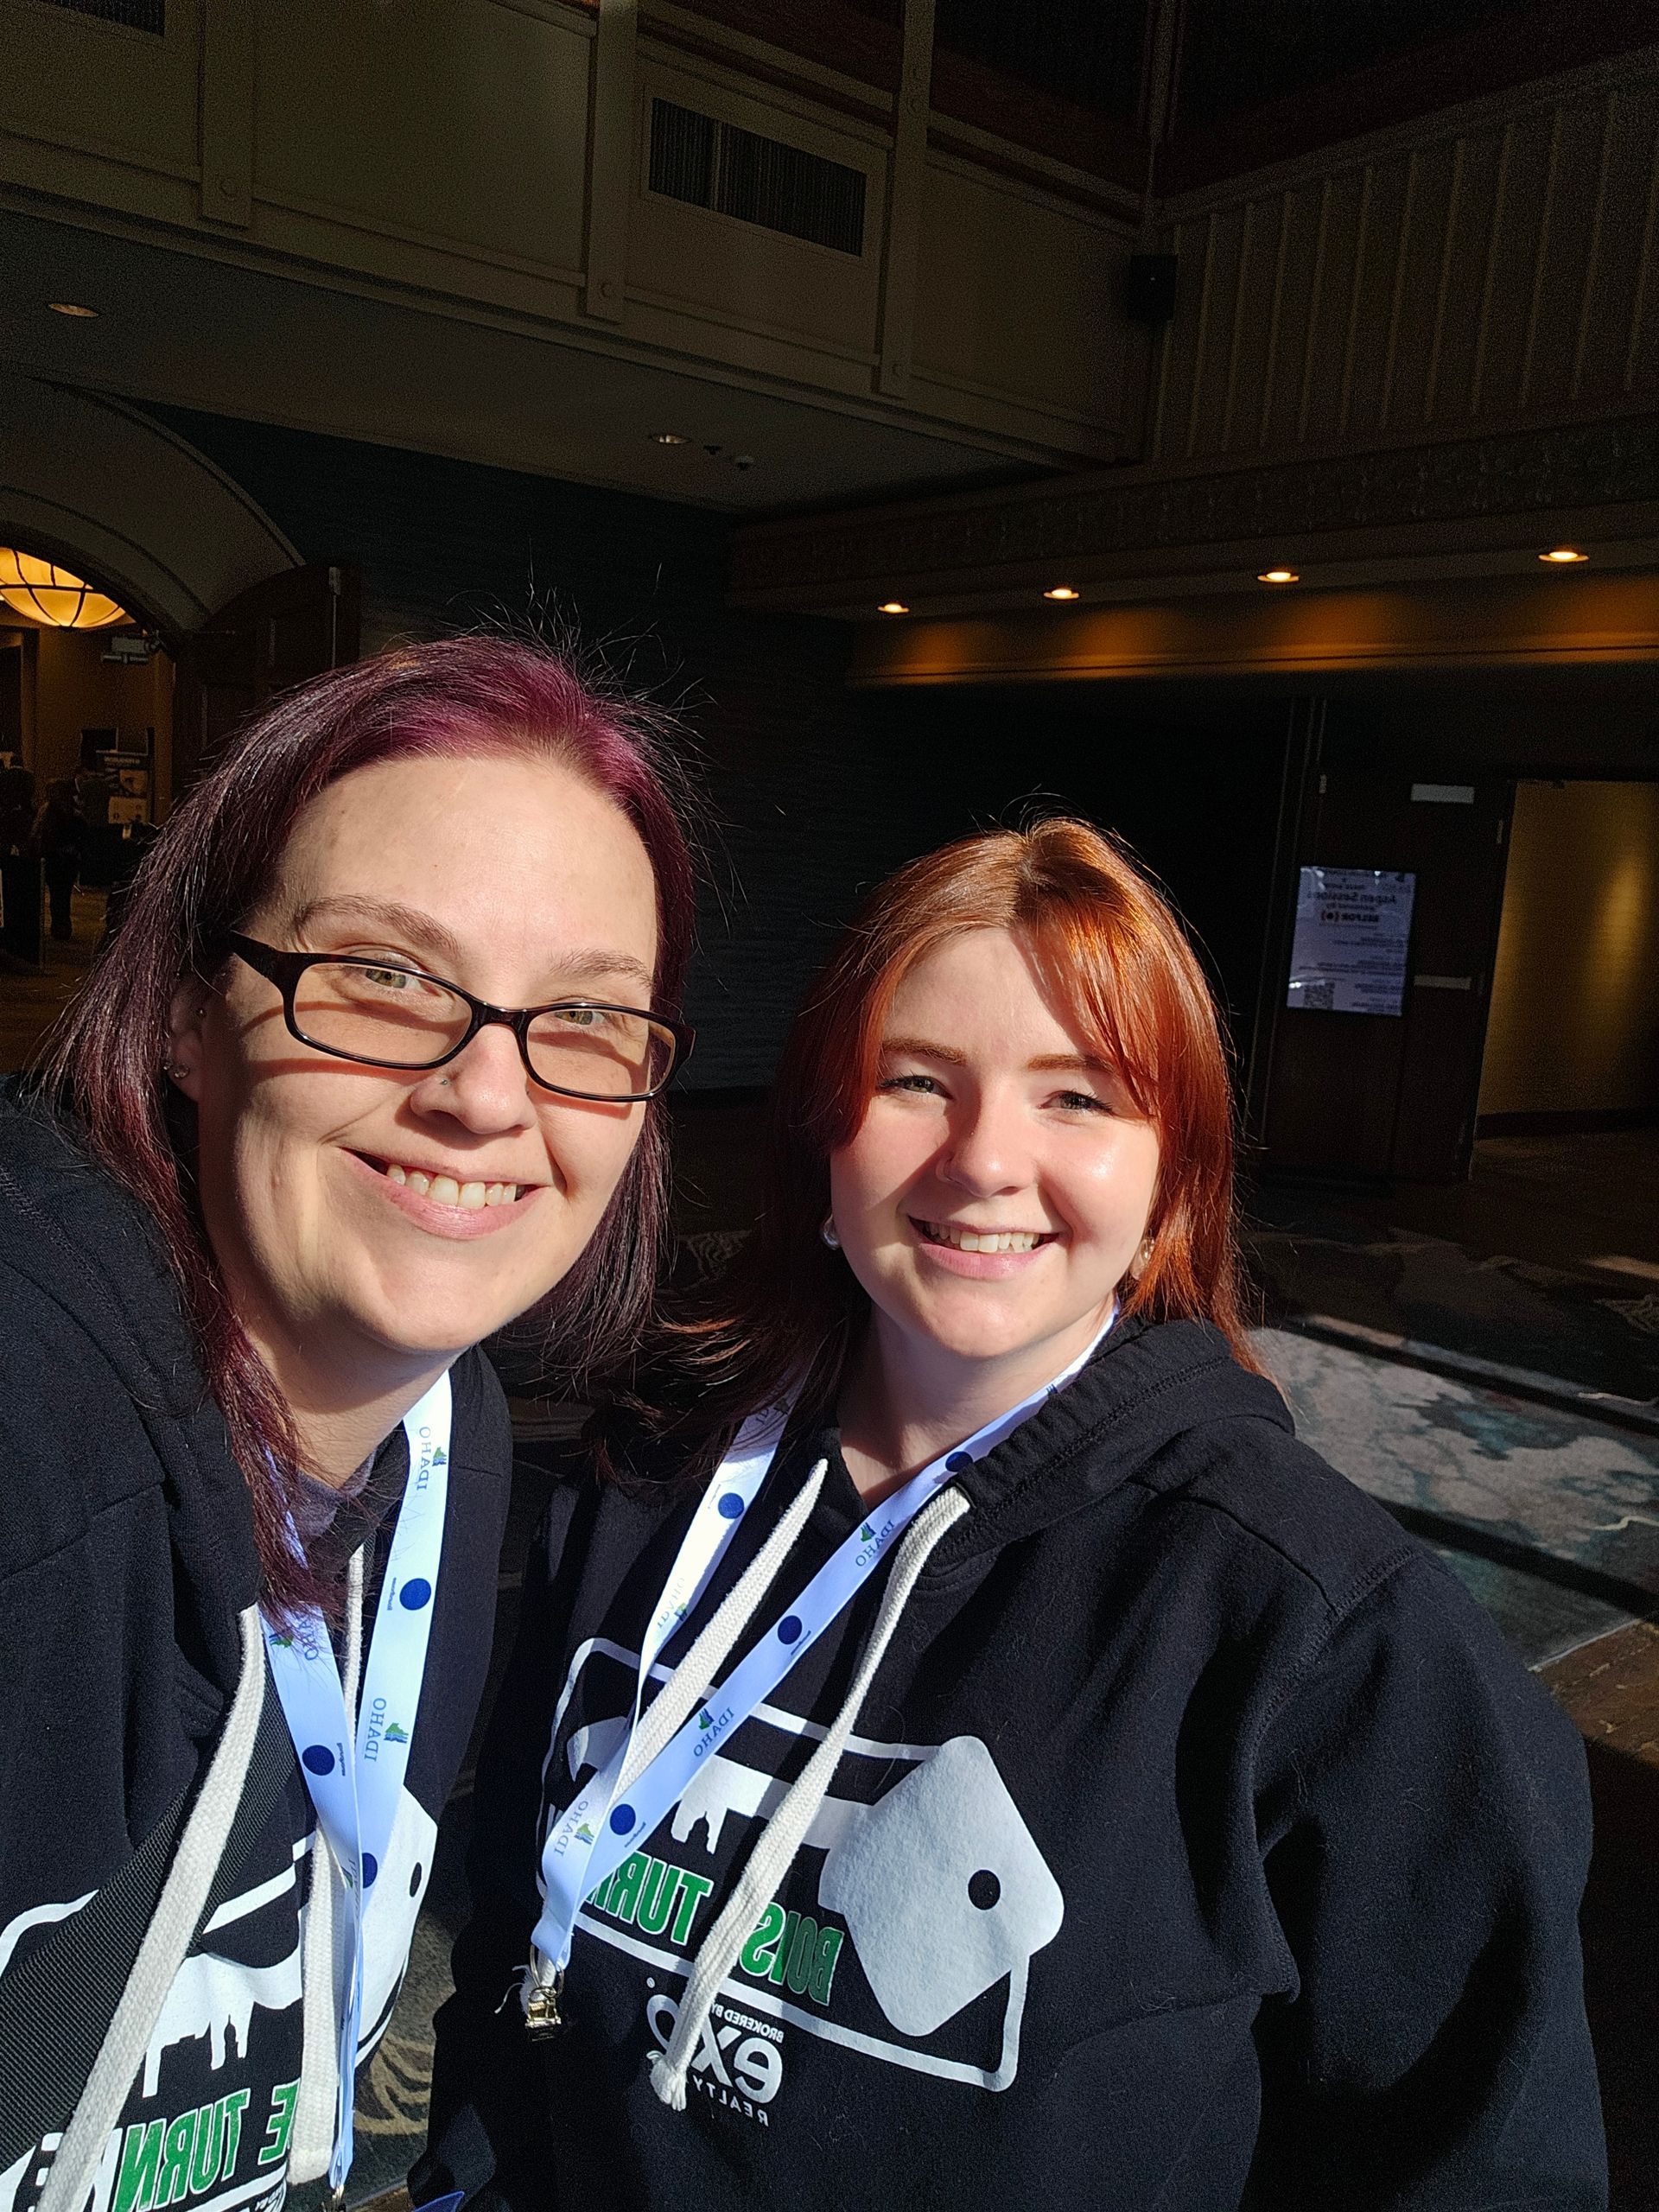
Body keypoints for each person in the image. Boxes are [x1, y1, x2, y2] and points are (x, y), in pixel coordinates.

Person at [419, 818, 1605, 2212]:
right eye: (918, 1079)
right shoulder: (650, 1484)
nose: (985, 1160)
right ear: (823, 1125)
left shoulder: (1321, 1632)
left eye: (1080, 1096)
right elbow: (509, 1934)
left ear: (1175, 1169)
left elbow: (1481, 2164)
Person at [0, 636, 696, 2212]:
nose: (484, 1093)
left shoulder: (452, 1443)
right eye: (384, 976)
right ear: (187, 1011)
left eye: (584, 1017)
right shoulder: (39, 1435)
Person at [30, 777, 83, 942]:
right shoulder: (73, 811)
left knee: (55, 894)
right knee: (64, 893)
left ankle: (58, 926)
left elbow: (38, 833)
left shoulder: (47, 810)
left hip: (53, 858)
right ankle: (64, 925)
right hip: (69, 858)